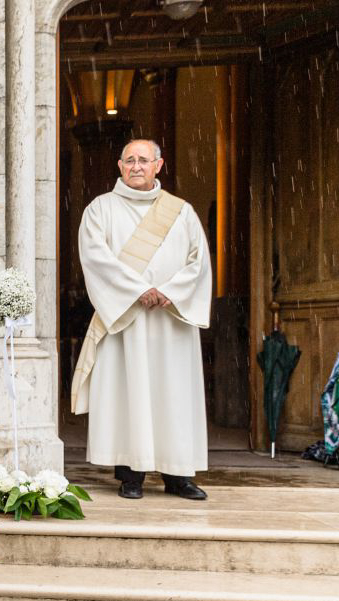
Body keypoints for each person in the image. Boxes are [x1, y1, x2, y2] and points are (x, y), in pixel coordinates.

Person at [70, 139, 212, 500]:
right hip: (126, 321)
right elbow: (96, 258)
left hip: (171, 321)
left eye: (143, 160)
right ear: (119, 166)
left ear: (158, 165)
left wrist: (171, 291)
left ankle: (178, 475)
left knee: (173, 396)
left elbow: (198, 262)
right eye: (130, 160)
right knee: (128, 396)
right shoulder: (100, 210)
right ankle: (130, 474)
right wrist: (138, 290)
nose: (136, 166)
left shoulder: (181, 212)